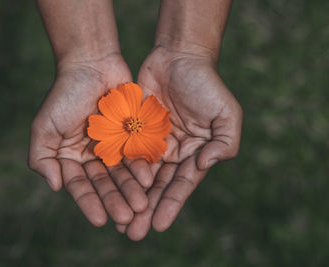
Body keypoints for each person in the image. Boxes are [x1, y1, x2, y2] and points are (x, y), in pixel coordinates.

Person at [28, 0, 242, 241]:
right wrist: (83, 59)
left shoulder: (149, 126)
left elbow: (153, 129)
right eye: (133, 125)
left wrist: (189, 51)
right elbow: (107, 127)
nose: (133, 125)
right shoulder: (117, 119)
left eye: (134, 125)